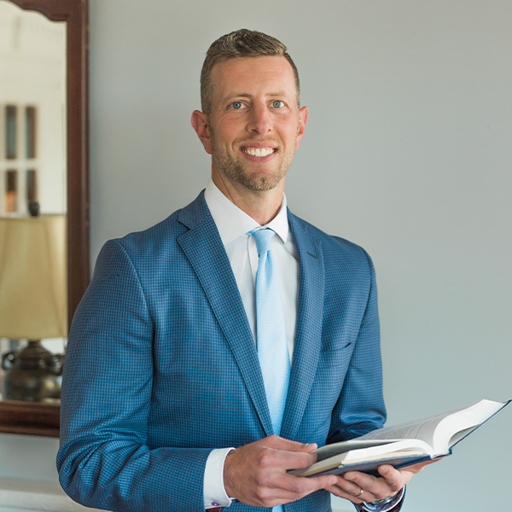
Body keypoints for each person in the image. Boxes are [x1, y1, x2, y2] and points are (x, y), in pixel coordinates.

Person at [57, 29, 430, 512]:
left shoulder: (350, 269)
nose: (261, 123)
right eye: (238, 105)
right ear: (204, 128)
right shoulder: (134, 267)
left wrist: (382, 491)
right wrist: (225, 474)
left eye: (277, 104)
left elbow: (355, 434)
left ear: (300, 124)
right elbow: (88, 461)